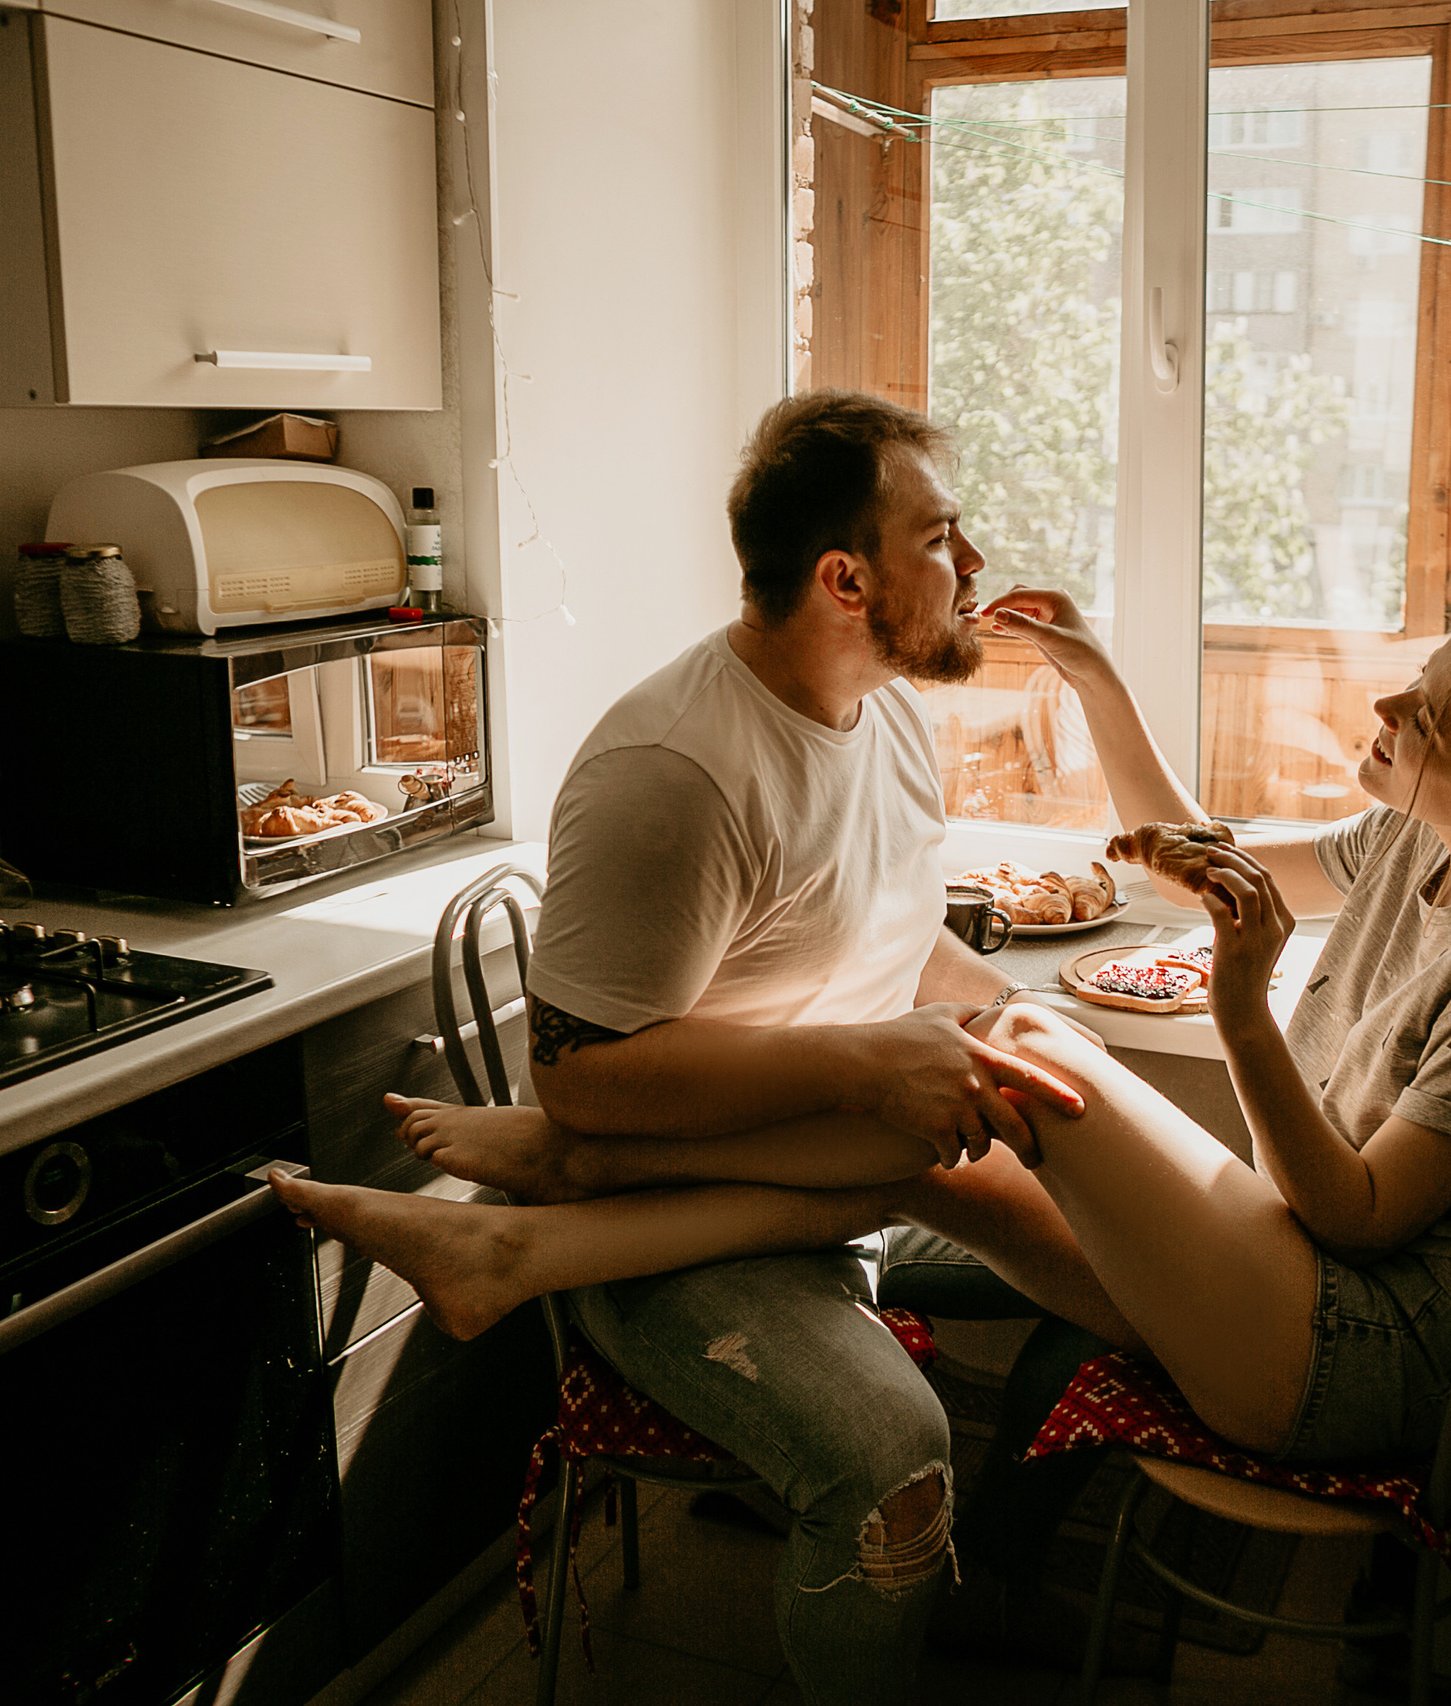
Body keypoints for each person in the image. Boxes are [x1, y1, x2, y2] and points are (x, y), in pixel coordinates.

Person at [276, 582, 1451, 1650]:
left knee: (1010, 1048)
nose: (1381, 716)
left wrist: (1246, 1009)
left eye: (1417, 715)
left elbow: (1362, 1211)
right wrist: (1092, 670)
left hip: (1344, 1350)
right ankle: (517, 1251)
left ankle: (571, 1154)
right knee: (942, 1152)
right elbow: (1187, 848)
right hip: (1291, 1275)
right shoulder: (1419, 835)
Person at [323, 389, 1094, 1702]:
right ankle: (889, 1561)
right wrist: (868, 1062)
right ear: (846, 576)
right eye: (943, 538)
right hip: (679, 1211)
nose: (971, 566)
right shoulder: (677, 770)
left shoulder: (891, 715)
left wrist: (1017, 1025)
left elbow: (902, 939)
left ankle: (996, 1585)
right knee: (893, 1467)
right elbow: (577, 1078)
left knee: (1122, 1268)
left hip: (818, 1164)